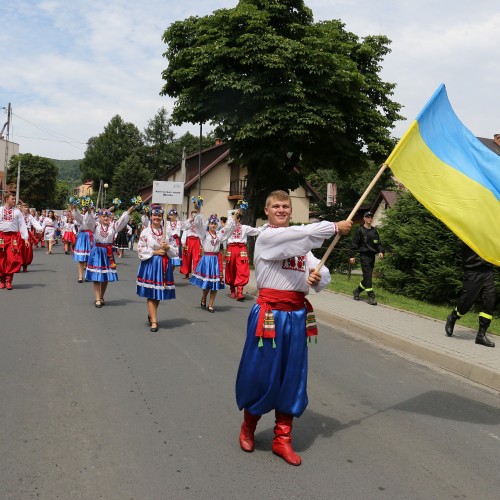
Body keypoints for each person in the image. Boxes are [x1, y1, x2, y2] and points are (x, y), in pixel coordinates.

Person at [235, 190, 352, 466]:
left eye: (285, 206)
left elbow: (319, 271)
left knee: (293, 375)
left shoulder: (301, 247)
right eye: (275, 205)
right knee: (261, 372)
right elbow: (299, 237)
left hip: (297, 315)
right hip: (270, 315)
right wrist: (334, 227)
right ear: (267, 211)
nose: (281, 209)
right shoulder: (268, 237)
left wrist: (316, 276)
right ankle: (249, 426)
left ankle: (282, 438)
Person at [75, 205, 135, 308]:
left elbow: (121, 222)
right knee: (96, 276)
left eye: (107, 216)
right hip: (97, 252)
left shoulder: (113, 226)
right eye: (103, 216)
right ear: (100, 217)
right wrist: (89, 212)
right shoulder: (96, 225)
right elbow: (88, 222)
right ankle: (97, 298)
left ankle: (102, 296)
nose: (106, 218)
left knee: (106, 276)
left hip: (108, 252)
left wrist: (128, 212)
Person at [136, 205, 178, 333]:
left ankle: (151, 314)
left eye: (159, 215)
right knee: (151, 293)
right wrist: (154, 252)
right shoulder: (146, 232)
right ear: (151, 216)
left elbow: (175, 250)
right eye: (155, 215)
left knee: (158, 293)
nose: (157, 218)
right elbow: (140, 249)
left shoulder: (167, 232)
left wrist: (167, 248)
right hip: (150, 264)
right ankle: (154, 321)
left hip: (164, 265)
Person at [445, 244, 496, 348]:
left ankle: (481, 335)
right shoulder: (471, 230)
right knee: (466, 302)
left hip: (487, 272)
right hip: (472, 271)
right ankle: (452, 317)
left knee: (490, 301)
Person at [190, 208, 235, 312]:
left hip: (215, 259)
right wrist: (198, 211)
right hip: (207, 259)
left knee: (215, 284)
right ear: (208, 224)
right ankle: (204, 298)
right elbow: (198, 225)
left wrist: (233, 217)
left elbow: (228, 229)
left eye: (215, 223)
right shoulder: (204, 234)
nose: (213, 225)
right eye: (212, 223)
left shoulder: (219, 235)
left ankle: (211, 304)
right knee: (207, 283)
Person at [225, 211, 263, 300]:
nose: (234, 219)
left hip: (241, 249)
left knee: (242, 269)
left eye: (236, 217)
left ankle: (240, 292)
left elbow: (256, 231)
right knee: (231, 269)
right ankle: (232, 290)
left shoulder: (244, 228)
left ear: (239, 219)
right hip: (231, 249)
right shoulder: (228, 227)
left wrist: (267, 227)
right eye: (233, 217)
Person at [348, 211, 384, 305]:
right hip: (364, 256)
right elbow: (354, 243)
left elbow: (378, 243)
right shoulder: (360, 230)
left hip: (372, 256)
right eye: (367, 217)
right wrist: (351, 256)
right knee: (368, 276)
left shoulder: (374, 231)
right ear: (364, 218)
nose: (370, 219)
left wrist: (381, 251)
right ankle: (371, 296)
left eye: (371, 217)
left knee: (367, 277)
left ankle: (357, 291)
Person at [0, 192, 29, 290]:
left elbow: (22, 225)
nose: (14, 200)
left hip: (12, 237)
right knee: (1, 259)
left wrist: (25, 238)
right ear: (7, 199)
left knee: (12, 258)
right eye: (12, 199)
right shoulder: (0, 210)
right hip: (1, 237)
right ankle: (2, 280)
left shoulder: (17, 212)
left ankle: (9, 280)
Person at [72, 206, 94, 283]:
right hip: (82, 237)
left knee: (89, 258)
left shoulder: (93, 216)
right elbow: (77, 217)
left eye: (87, 208)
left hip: (89, 236)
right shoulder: (81, 217)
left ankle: (88, 275)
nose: (86, 209)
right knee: (81, 258)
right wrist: (74, 209)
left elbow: (90, 220)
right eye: (85, 208)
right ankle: (80, 276)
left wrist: (89, 210)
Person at [179, 210, 202, 280]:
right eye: (193, 215)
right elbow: (184, 230)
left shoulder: (199, 224)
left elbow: (201, 233)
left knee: (196, 258)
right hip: (189, 241)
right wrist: (183, 242)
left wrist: (202, 244)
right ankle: (186, 274)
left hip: (196, 241)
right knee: (187, 258)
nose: (194, 216)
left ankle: (196, 274)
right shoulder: (188, 223)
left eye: (195, 215)